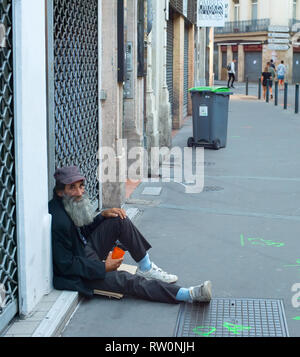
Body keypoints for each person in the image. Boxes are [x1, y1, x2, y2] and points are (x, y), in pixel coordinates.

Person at [49, 165, 212, 305]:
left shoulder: (69, 205)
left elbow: (82, 231)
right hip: (79, 274)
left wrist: (101, 217)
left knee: (119, 219)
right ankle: (188, 294)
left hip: (85, 251)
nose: (79, 192)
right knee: (127, 280)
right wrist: (103, 267)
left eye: (81, 186)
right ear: (60, 192)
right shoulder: (58, 221)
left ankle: (146, 267)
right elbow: (66, 266)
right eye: (72, 188)